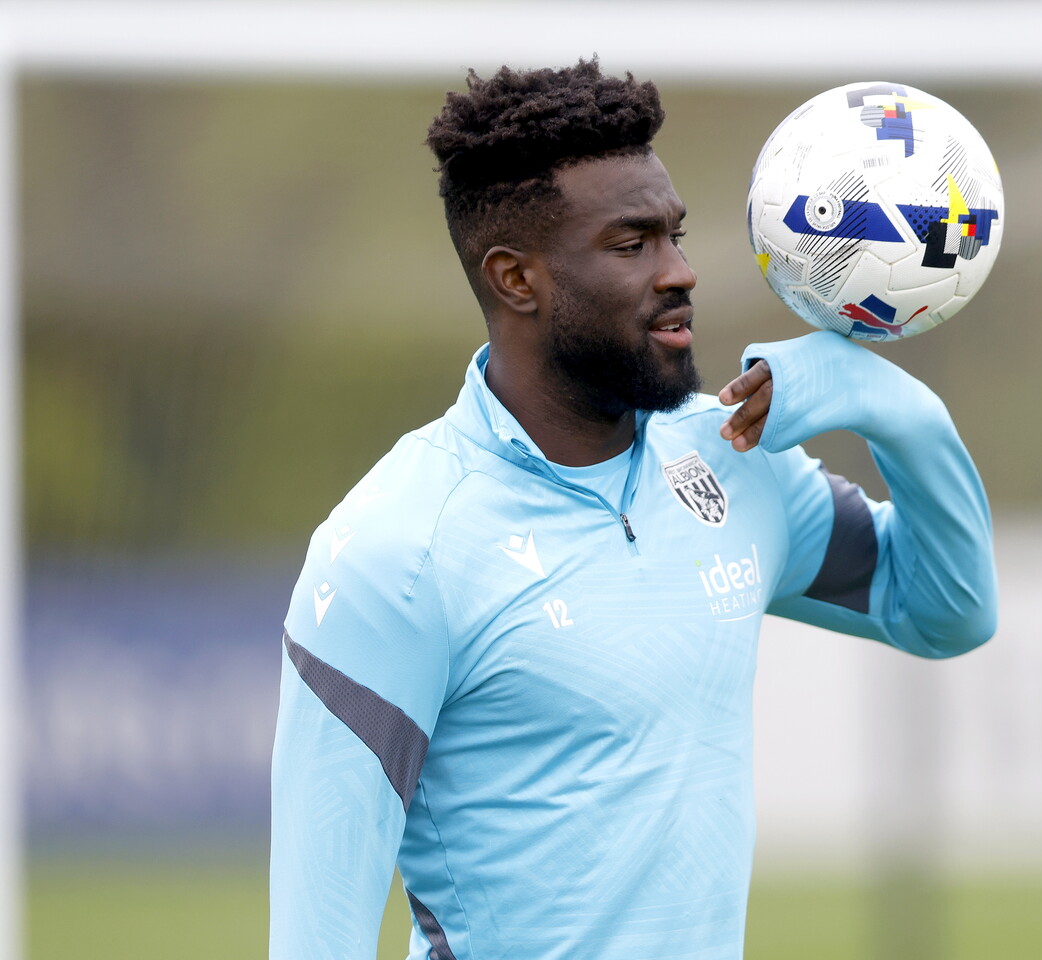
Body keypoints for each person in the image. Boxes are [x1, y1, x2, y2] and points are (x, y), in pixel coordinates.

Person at [270, 59, 997, 960]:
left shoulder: (729, 457)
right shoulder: (400, 549)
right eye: (632, 245)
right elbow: (315, 938)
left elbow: (948, 611)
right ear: (516, 279)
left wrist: (895, 410)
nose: (681, 272)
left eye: (675, 236)